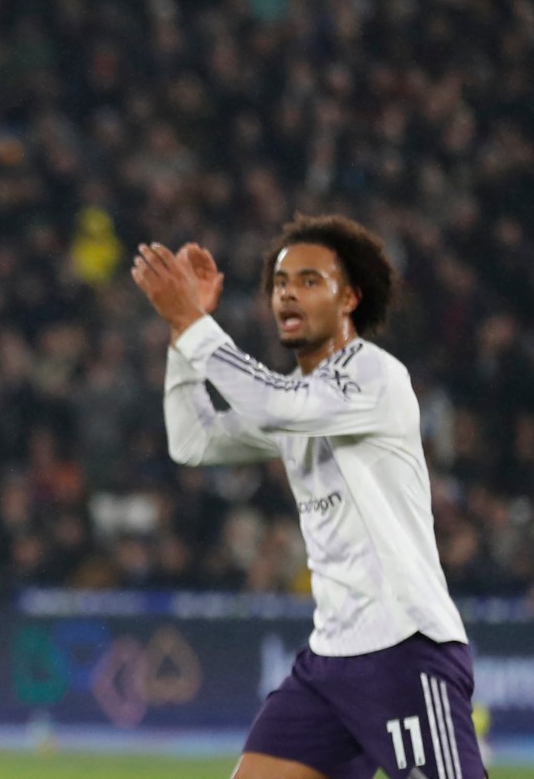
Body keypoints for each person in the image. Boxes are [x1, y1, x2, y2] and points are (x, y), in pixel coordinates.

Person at [131, 214, 487, 779]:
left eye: (309, 280)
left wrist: (194, 322)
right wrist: (181, 335)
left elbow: (275, 405)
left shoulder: (374, 375)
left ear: (350, 299)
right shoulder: (298, 399)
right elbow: (193, 440)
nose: (288, 292)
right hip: (330, 663)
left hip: (404, 647)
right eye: (279, 282)